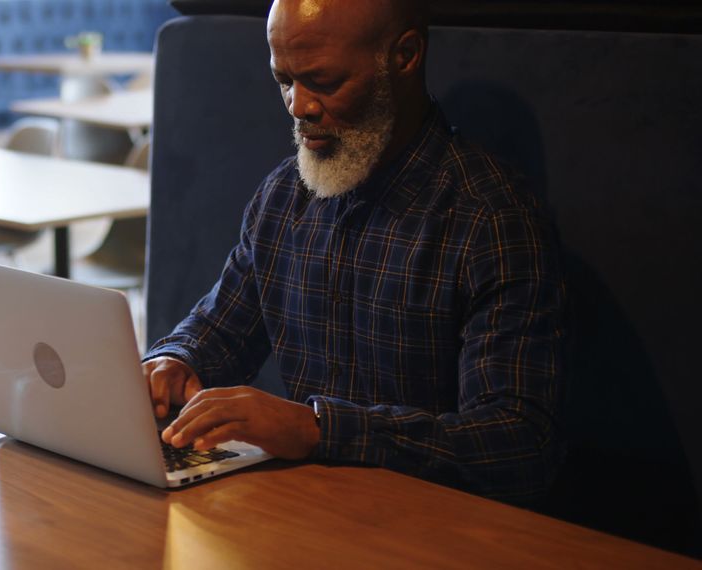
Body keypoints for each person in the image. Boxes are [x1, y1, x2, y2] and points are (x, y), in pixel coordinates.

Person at [142, 0, 566, 503]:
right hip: (309, 511)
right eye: (284, 80)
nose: (298, 105)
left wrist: (318, 429)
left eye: (323, 80)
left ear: (405, 56)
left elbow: (518, 443)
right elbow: (219, 331)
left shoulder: (488, 219)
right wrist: (174, 362)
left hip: (429, 528)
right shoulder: (284, 197)